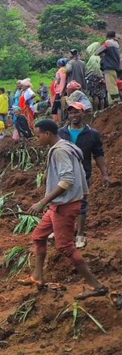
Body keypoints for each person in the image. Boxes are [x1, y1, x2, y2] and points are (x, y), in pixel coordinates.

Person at [23, 120, 107, 300]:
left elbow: (67, 180)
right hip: (59, 205)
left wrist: (42, 202)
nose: (37, 139)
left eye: (38, 135)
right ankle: (37, 277)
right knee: (38, 236)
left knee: (65, 247)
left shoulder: (60, 151)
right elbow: (78, 175)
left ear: (47, 134)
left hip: (65, 206)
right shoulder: (66, 146)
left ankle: (97, 286)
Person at [57, 103, 110, 249]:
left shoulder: (92, 134)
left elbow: (98, 154)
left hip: (83, 174)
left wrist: (104, 174)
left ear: (83, 113)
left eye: (77, 112)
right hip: (63, 174)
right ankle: (63, 231)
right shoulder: (61, 133)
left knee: (81, 204)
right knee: (62, 202)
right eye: (71, 113)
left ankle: (80, 234)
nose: (74, 115)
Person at [95, 31, 120, 104]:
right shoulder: (116, 45)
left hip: (108, 68)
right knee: (112, 85)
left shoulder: (107, 43)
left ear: (107, 36)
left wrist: (102, 54)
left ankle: (115, 101)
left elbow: (97, 52)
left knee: (111, 86)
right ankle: (111, 103)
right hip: (115, 68)